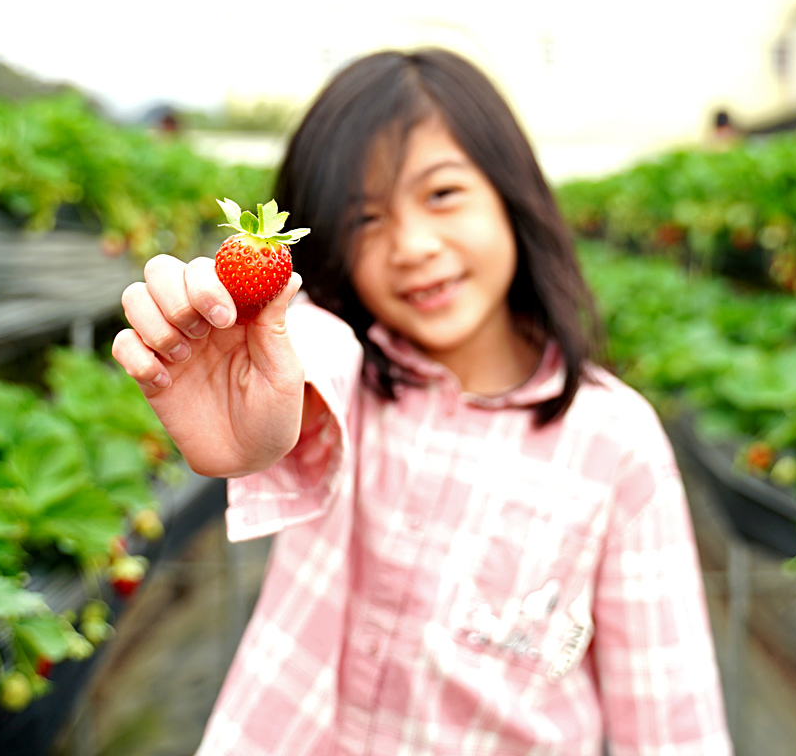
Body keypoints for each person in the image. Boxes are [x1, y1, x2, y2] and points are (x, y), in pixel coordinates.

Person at [111, 49, 732, 756]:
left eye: (441, 195)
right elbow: (307, 352)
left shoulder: (615, 440)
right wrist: (251, 374)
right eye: (366, 219)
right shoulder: (353, 372)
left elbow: (671, 718)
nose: (412, 245)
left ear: (511, 194)